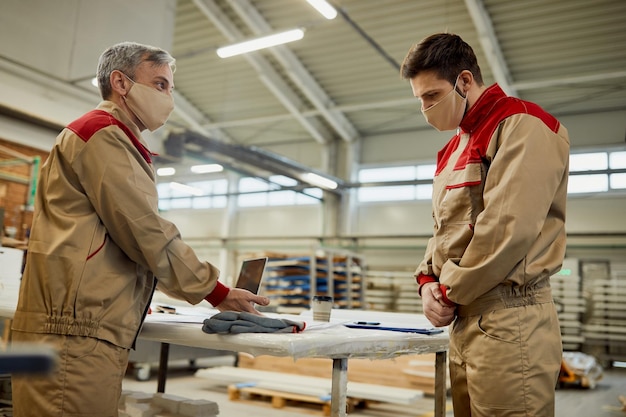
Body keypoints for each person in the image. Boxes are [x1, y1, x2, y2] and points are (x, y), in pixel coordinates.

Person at [11, 41, 269, 417]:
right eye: (160, 84)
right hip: (74, 332)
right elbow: (145, 232)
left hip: (75, 328)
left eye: (171, 88)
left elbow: (126, 242)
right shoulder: (104, 134)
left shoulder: (105, 136)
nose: (169, 98)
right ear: (121, 83)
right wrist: (215, 291)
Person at [401, 33, 569, 416]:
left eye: (432, 96)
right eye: (420, 100)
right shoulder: (455, 147)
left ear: (463, 81)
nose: (425, 109)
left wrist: (447, 290)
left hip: (510, 320)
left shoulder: (521, 124)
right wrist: (427, 281)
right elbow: (444, 230)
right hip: (464, 320)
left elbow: (507, 229)